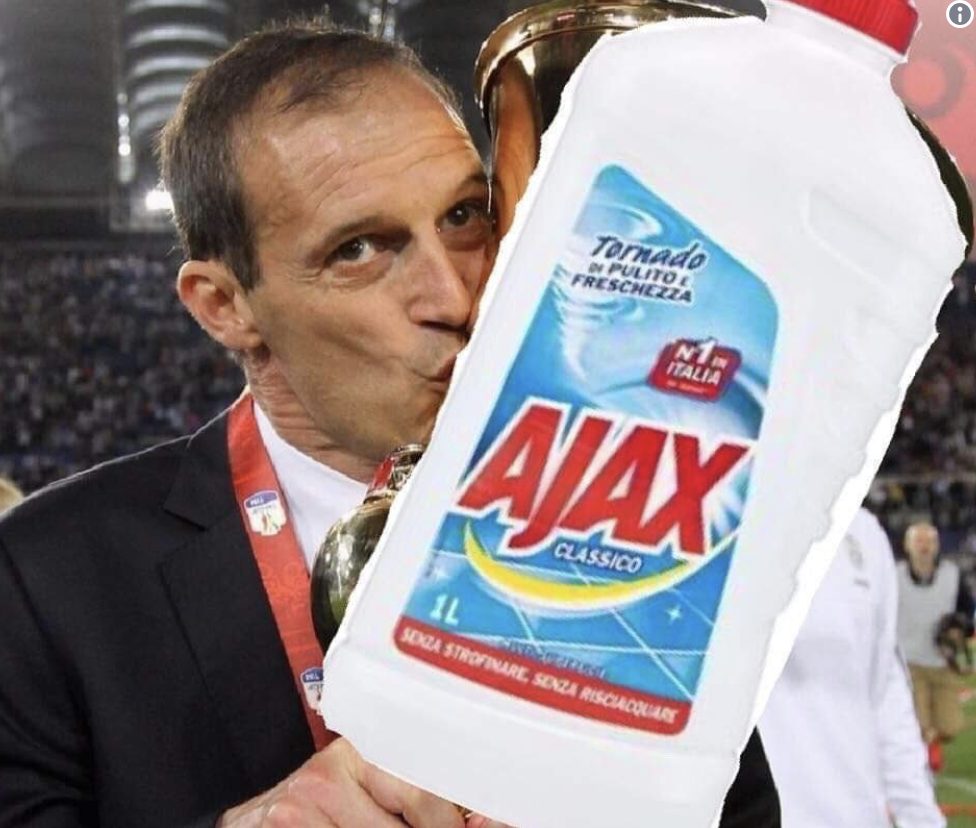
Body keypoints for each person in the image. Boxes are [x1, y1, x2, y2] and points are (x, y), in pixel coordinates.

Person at [0, 21, 780, 828]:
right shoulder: (48, 578)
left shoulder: (639, 523)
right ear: (225, 306)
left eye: (464, 215)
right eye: (360, 249)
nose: (454, 296)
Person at [760, 508, 945, 827]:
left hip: (853, 814)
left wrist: (921, 818)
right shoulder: (707, 510)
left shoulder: (864, 531)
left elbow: (885, 692)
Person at [897, 521, 976, 771]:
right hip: (909, 662)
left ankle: (933, 739)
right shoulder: (893, 576)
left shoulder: (953, 575)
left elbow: (967, 612)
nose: (925, 546)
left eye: (930, 541)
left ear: (938, 545)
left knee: (950, 726)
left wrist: (959, 629)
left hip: (944, 661)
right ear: (907, 546)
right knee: (917, 722)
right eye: (919, 541)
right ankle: (925, 755)